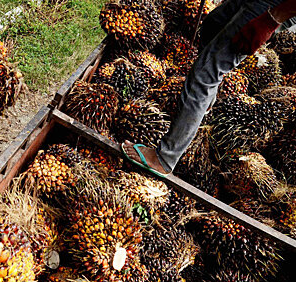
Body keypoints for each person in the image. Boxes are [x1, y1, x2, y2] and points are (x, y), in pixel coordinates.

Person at [122, 0, 296, 178]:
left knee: (205, 73)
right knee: (213, 24)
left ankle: (164, 158)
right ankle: (203, 102)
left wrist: (270, 20)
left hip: (276, 6)